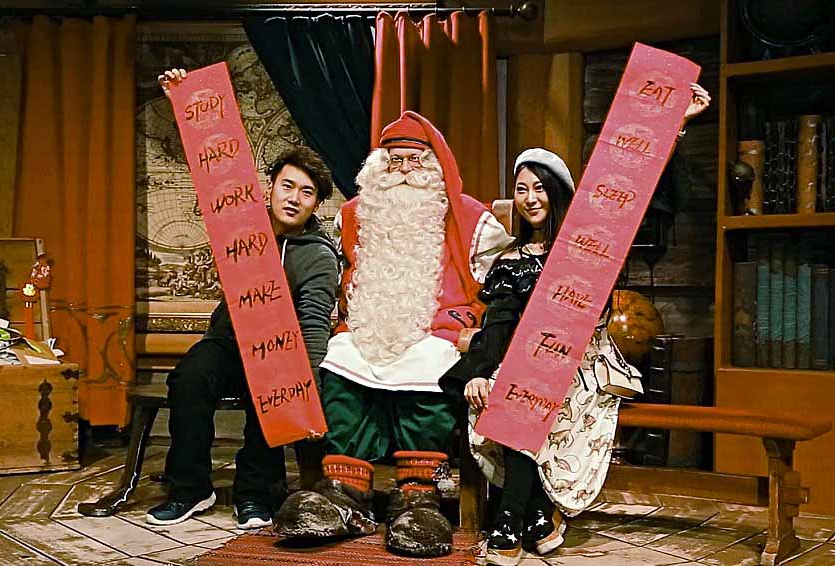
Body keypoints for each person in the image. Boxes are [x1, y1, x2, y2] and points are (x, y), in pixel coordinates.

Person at [439, 84, 711, 565]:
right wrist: (478, 371)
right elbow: (498, 326)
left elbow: (638, 198)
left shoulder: (588, 249)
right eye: (521, 189)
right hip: (528, 364)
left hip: (583, 364)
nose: (529, 198)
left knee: (528, 392)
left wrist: (675, 126)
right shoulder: (510, 261)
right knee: (512, 390)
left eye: (539, 187)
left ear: (558, 192)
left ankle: (508, 520)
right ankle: (536, 516)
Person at [274, 111, 514, 556]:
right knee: (340, 362)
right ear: (378, 166)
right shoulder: (354, 215)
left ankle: (418, 496)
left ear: (434, 165)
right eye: (394, 160)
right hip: (368, 326)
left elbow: (504, 284)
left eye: (414, 161)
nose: (403, 171)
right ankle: (343, 493)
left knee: (429, 367)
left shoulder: (469, 218)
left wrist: (469, 324)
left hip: (433, 330)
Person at [146, 69, 340, 529]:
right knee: (189, 379)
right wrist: (182, 97)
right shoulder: (241, 225)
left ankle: (256, 492)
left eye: (307, 193)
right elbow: (210, 170)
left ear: (316, 205)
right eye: (287, 185)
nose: (294, 198)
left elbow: (315, 323)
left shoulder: (318, 257)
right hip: (229, 340)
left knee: (266, 393)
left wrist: (307, 386)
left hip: (283, 355)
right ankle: (190, 488)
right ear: (270, 186)